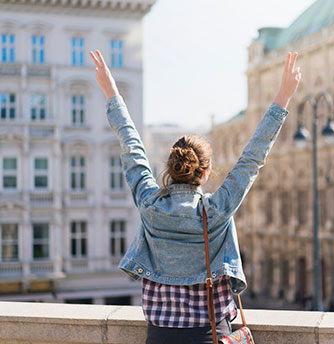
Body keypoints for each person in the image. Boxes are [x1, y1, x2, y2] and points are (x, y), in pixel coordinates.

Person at [90, 49, 301, 344]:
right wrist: (284, 95)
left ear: (172, 168)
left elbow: (131, 147)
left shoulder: (150, 204)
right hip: (211, 334)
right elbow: (253, 157)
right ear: (205, 173)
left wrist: (110, 91)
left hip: (160, 336)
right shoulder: (216, 209)